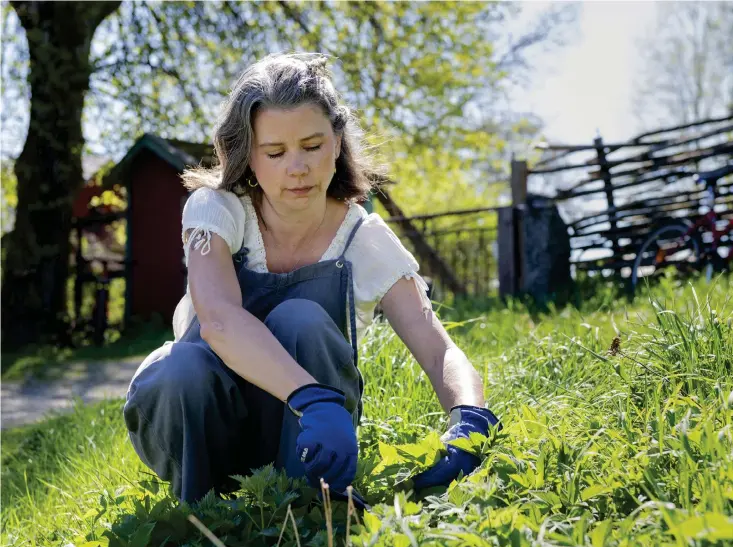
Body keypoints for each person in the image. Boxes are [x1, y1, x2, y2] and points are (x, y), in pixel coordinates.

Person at [123, 52, 500, 506]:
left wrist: (470, 417)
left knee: (301, 319)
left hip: (313, 438)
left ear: (337, 143)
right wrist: (311, 398)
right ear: (247, 155)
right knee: (178, 367)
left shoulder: (363, 238)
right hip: (203, 421)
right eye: (276, 152)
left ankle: (317, 502)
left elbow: (437, 346)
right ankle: (203, 516)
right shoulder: (216, 210)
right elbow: (219, 319)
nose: (296, 167)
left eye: (313, 146)